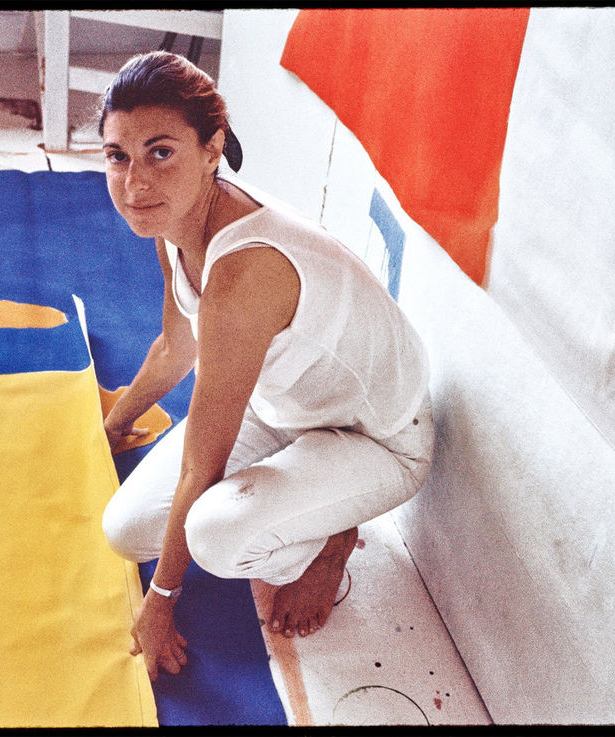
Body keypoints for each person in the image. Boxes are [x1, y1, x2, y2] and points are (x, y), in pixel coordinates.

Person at [98, 51, 434, 682]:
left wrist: (161, 601)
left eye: (160, 152)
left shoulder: (245, 272)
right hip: (285, 406)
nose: (135, 185)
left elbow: (203, 464)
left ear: (211, 149)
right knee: (125, 530)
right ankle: (307, 507)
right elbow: (175, 347)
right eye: (119, 156)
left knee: (215, 539)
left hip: (377, 437)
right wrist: (115, 424)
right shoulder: (176, 220)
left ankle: (331, 542)